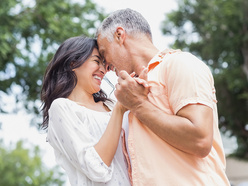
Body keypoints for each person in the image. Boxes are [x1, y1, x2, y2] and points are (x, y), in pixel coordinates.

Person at [96, 8, 230, 186]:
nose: (106, 68)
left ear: (120, 35)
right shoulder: (129, 95)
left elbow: (200, 140)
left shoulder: (180, 63)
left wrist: (138, 104)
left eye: (104, 54)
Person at [40, 36, 131, 186]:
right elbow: (97, 169)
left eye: (104, 64)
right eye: (96, 61)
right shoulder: (62, 108)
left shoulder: (112, 104)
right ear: (73, 63)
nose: (103, 70)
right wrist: (119, 110)